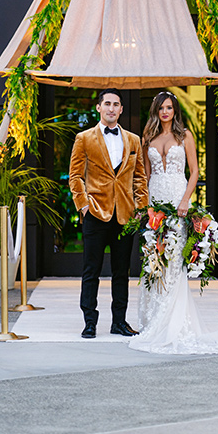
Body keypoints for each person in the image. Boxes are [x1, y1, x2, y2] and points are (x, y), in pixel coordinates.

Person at [128, 91, 218, 355]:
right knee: (154, 258)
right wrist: (144, 206)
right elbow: (146, 173)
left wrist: (186, 200)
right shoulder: (148, 138)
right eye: (161, 108)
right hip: (155, 201)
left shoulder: (184, 135)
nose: (165, 112)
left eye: (169, 108)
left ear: (175, 110)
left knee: (174, 261)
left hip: (178, 202)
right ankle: (154, 319)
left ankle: (173, 321)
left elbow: (195, 171)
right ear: (155, 111)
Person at [69, 89, 149, 339]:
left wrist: (141, 208)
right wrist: (83, 206)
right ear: (99, 108)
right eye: (107, 104)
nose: (111, 108)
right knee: (91, 270)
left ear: (121, 109)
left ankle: (119, 322)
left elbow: (140, 177)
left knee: (121, 272)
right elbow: (75, 177)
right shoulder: (84, 138)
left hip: (125, 215)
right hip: (95, 213)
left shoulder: (134, 140)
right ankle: (89, 322)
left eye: (116, 104)